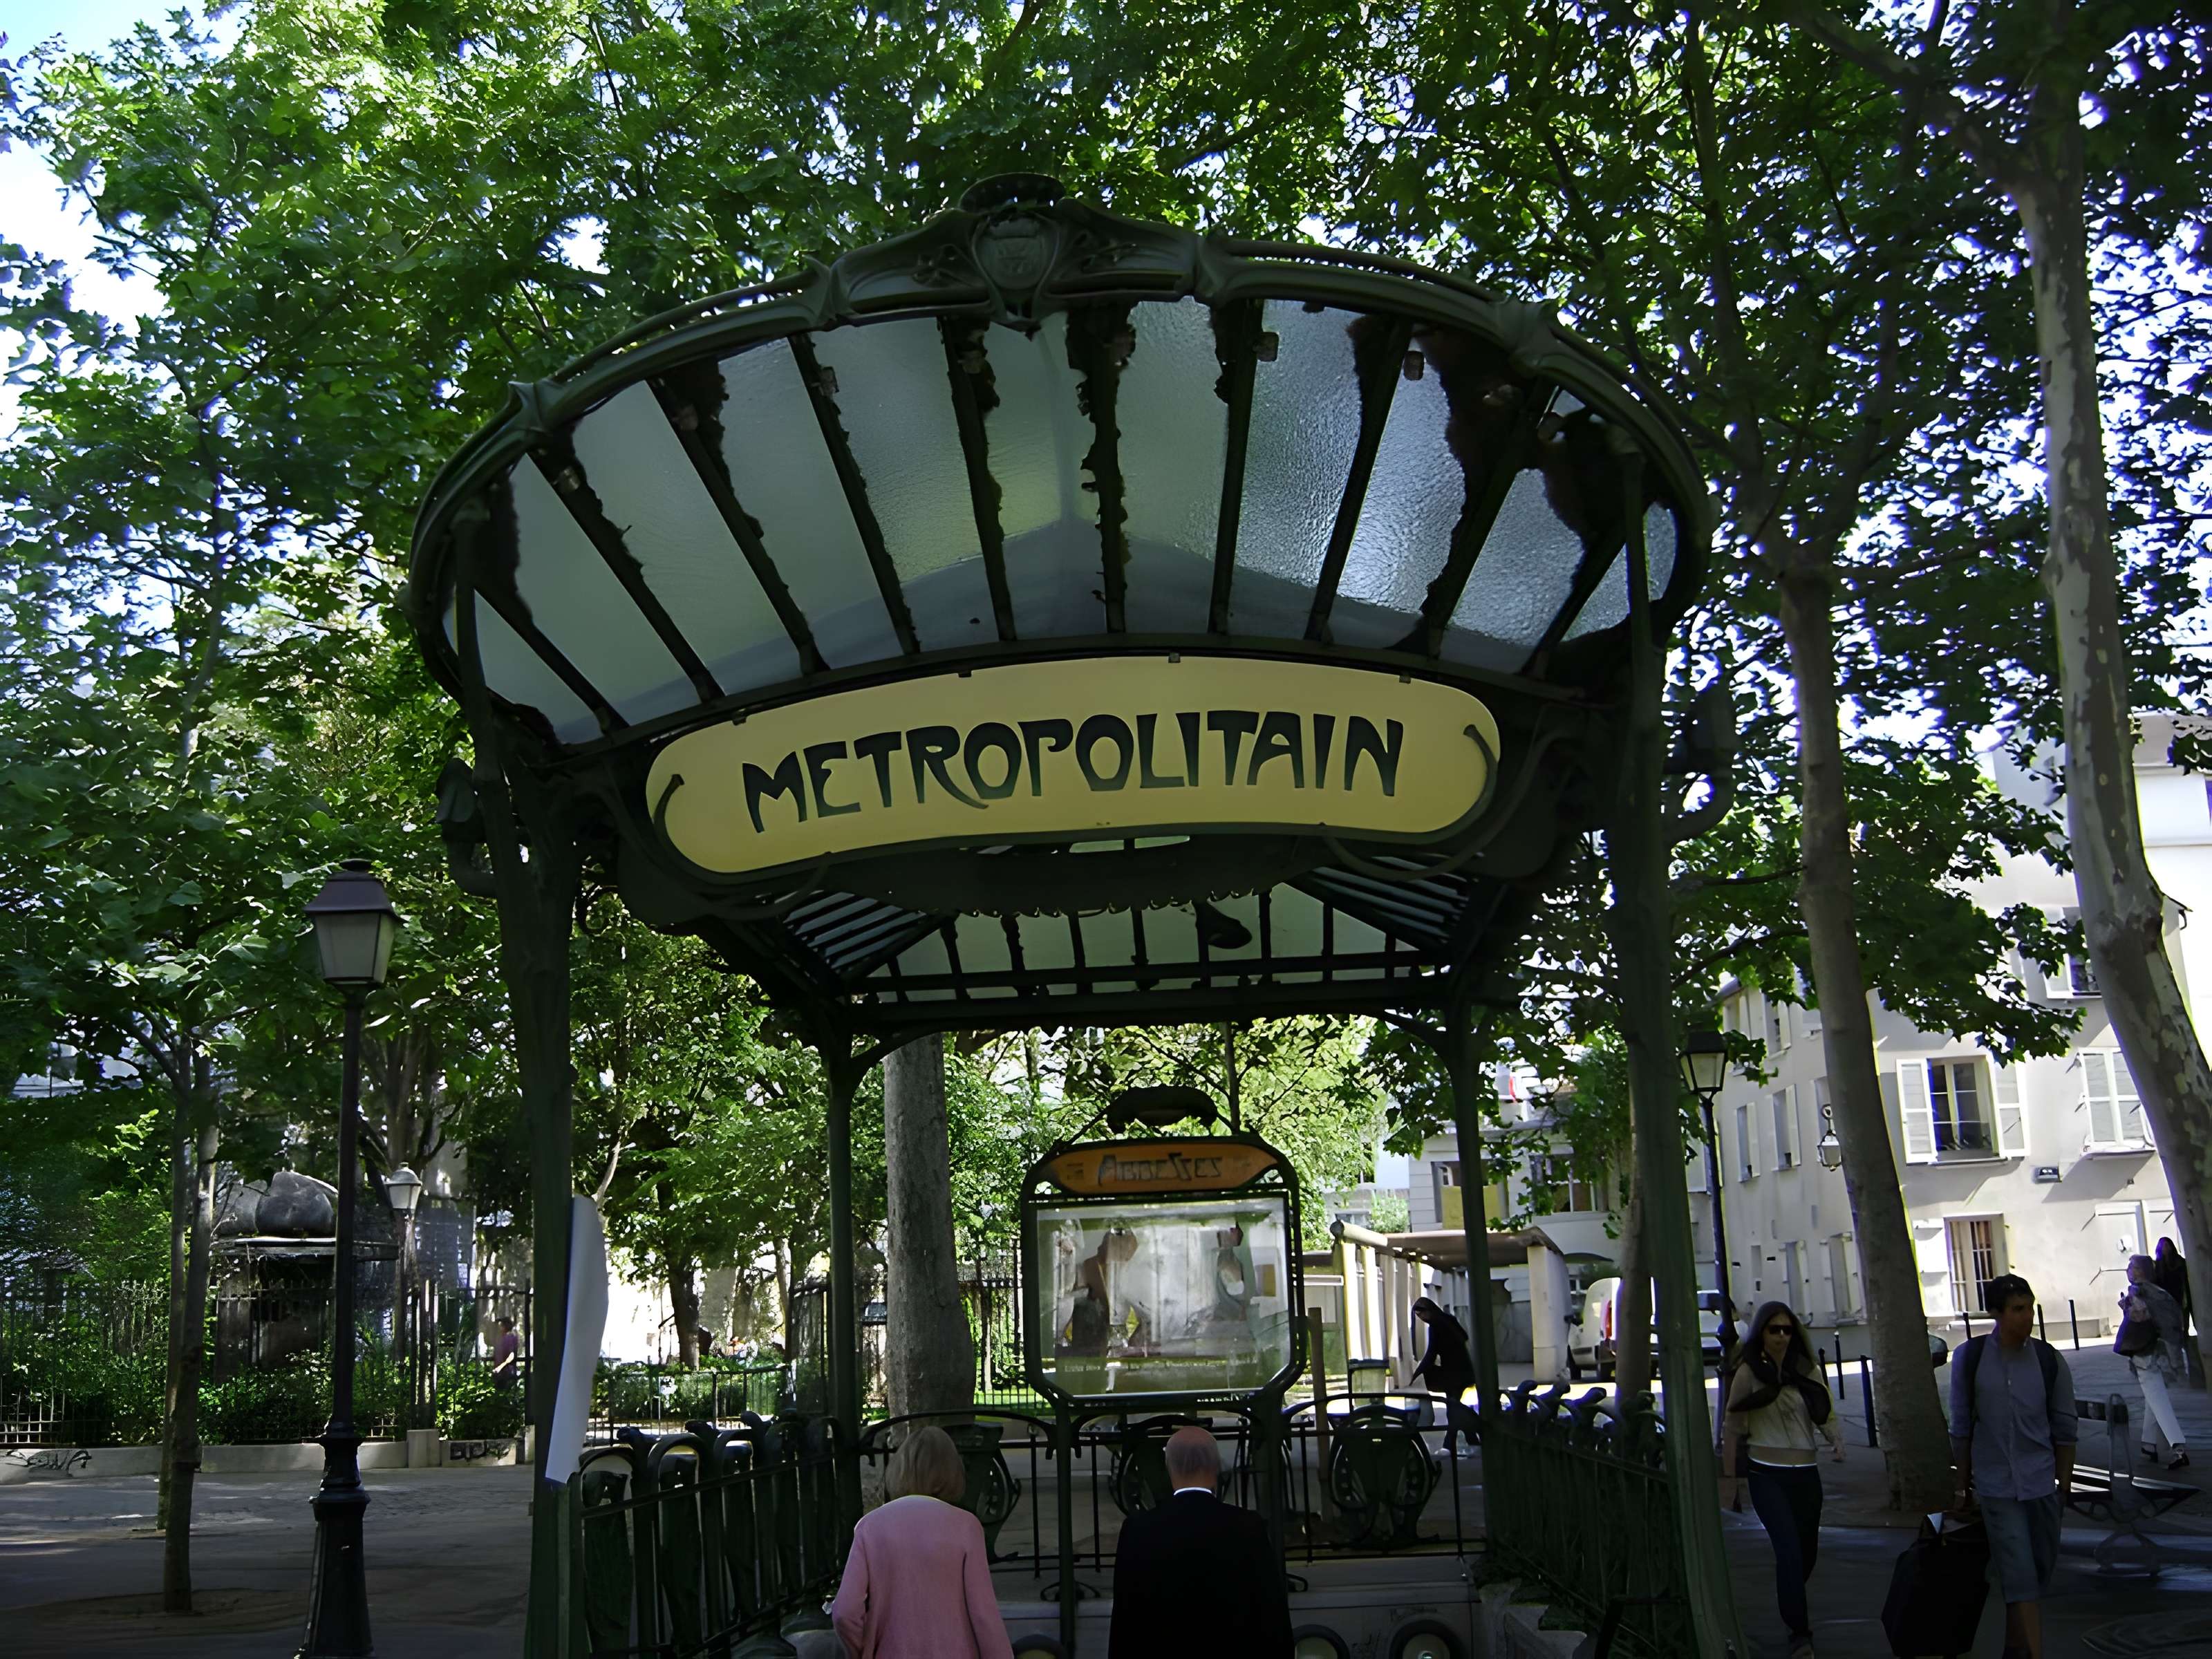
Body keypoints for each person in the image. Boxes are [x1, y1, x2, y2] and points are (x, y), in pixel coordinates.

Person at [1951, 1273, 2077, 1659]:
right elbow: (1961, 1426)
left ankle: (2014, 1650)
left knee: (2035, 1574)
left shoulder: (2048, 1360)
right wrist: (1962, 1487)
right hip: (1996, 1485)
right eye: (2018, 1310)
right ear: (1997, 1314)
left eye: (2030, 1308)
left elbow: (2065, 1427)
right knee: (2019, 1573)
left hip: (2041, 1483)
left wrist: (2064, 1484)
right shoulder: (1970, 1358)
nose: (2028, 1317)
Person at [1720, 1300, 1843, 1659]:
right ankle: (1799, 1635)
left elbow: (1824, 1410)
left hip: (1806, 1473)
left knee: (1806, 1554)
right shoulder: (1748, 1374)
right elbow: (1732, 1425)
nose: (1781, 1337)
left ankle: (1789, 1593)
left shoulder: (1806, 1370)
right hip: (1766, 1474)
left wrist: (1836, 1440)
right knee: (1788, 1551)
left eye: (1787, 1330)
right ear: (1762, 1333)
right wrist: (1730, 1478)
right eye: (1774, 1330)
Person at [830, 1425, 1013, 1659]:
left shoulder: (870, 1527)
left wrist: (862, 1650)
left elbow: (844, 1611)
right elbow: (983, 1615)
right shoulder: (966, 1527)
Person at [1109, 1425, 1291, 1659]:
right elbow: (1271, 1612)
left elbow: (1125, 1617)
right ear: (1215, 1468)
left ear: (1169, 1469)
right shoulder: (1248, 1526)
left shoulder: (1138, 1530)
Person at [2120, 1254, 2189, 1469]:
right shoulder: (2159, 1292)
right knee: (2154, 1397)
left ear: (2140, 1271)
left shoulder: (2138, 1292)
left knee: (2158, 1401)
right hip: (2160, 1352)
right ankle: (2148, 1445)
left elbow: (2139, 1318)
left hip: (2144, 1353)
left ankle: (2178, 1448)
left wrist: (2126, 1306)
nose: (2129, 1270)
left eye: (2132, 1267)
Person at [1409, 1295, 1479, 1456]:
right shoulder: (1449, 1319)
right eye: (1419, 1316)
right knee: (1454, 1407)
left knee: (1453, 1409)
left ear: (1429, 1311)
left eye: (1422, 1314)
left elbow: (1431, 1353)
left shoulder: (1435, 1326)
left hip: (1453, 1374)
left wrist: (1418, 1373)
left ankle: (1451, 1445)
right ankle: (1472, 1440)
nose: (1422, 1318)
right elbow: (1464, 1336)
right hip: (1463, 1371)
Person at [489, 1315, 520, 1389]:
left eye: (501, 1326)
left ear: (504, 1326)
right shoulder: (499, 1339)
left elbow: (511, 1355)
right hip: (500, 1372)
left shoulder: (510, 1338)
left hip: (506, 1372)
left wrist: (501, 1367)